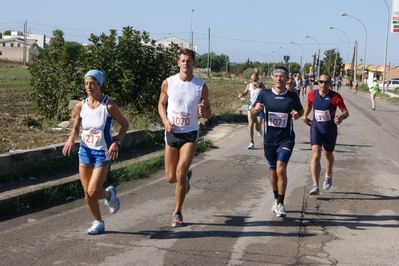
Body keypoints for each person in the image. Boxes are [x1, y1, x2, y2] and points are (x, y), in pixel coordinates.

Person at [62, 69, 129, 235]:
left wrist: (116, 142)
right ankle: (98, 222)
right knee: (87, 193)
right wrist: (71, 139)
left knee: (93, 191)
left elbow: (125, 124)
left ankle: (109, 194)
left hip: (102, 153)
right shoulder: (81, 105)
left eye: (92, 83)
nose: (89, 87)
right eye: (86, 83)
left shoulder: (109, 106)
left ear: (100, 84)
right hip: (85, 151)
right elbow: (76, 127)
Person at [158, 48, 212, 227]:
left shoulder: (200, 86)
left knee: (180, 173)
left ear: (194, 63)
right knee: (170, 178)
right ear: (178, 63)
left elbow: (208, 113)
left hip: (190, 133)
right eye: (182, 61)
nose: (185, 64)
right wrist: (165, 120)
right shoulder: (168, 83)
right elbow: (161, 104)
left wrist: (204, 111)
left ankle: (177, 213)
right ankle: (186, 180)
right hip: (172, 132)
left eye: (189, 61)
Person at [251, 66, 303, 218]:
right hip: (269, 139)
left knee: (281, 169)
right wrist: (257, 108)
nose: (279, 78)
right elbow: (253, 110)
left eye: (282, 76)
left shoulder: (292, 96)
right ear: (273, 78)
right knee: (273, 171)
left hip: (286, 138)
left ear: (287, 79)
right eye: (277, 76)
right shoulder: (265, 94)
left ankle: (280, 203)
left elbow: (300, 110)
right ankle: (275, 198)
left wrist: (296, 114)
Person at [302, 73, 349, 195]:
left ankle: (328, 174)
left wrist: (341, 117)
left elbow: (345, 112)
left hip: (330, 129)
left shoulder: (335, 97)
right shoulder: (313, 94)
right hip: (316, 128)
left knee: (328, 155)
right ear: (318, 82)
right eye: (321, 81)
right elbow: (308, 104)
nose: (323, 84)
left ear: (330, 83)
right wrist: (304, 116)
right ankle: (315, 185)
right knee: (316, 155)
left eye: (326, 82)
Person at [238, 73, 265, 149]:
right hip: (251, 106)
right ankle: (251, 142)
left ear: (258, 78)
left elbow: (266, 92)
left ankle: (259, 130)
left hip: (259, 107)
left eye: (255, 79)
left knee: (258, 127)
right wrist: (241, 94)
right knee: (250, 124)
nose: (253, 81)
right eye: (252, 79)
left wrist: (259, 87)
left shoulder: (261, 85)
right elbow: (245, 92)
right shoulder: (249, 85)